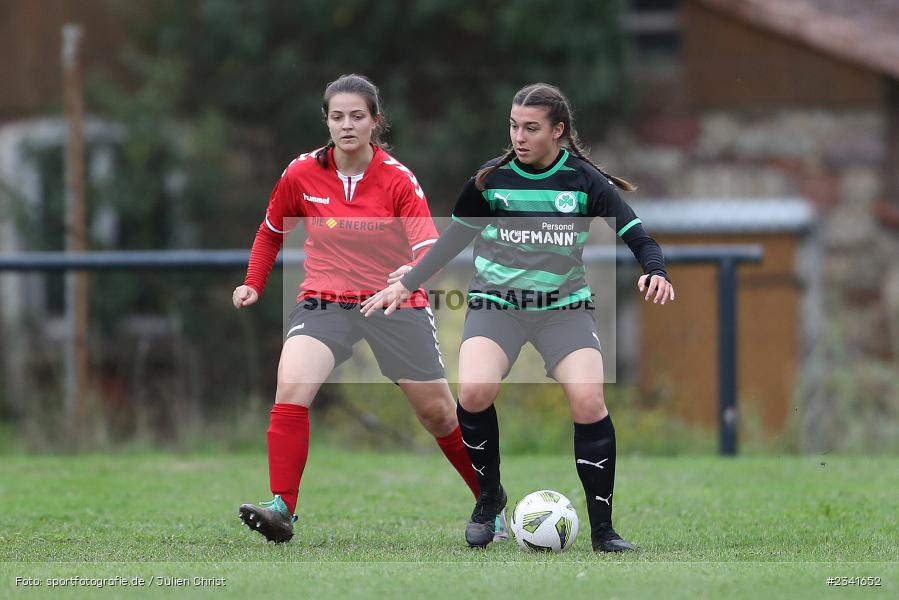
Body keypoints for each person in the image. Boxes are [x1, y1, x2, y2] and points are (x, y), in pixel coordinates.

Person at [361, 83, 675, 552]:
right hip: (498, 306)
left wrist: (656, 271)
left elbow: (639, 237)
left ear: (559, 131)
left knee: (589, 402)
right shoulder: (491, 179)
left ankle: (604, 531)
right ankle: (488, 501)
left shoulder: (585, 181)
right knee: (473, 391)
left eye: (531, 127)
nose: (520, 136)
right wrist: (408, 282)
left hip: (563, 310)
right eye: (514, 125)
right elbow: (452, 241)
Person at [233, 74, 485, 544]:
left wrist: (406, 282)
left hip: (393, 300)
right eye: (337, 116)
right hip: (324, 300)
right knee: (292, 384)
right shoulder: (300, 173)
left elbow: (430, 246)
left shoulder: (397, 179)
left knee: (439, 416)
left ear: (375, 121)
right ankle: (282, 508)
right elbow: (270, 231)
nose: (347, 125)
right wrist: (253, 283)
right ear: (326, 121)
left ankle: (490, 503)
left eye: (357, 116)